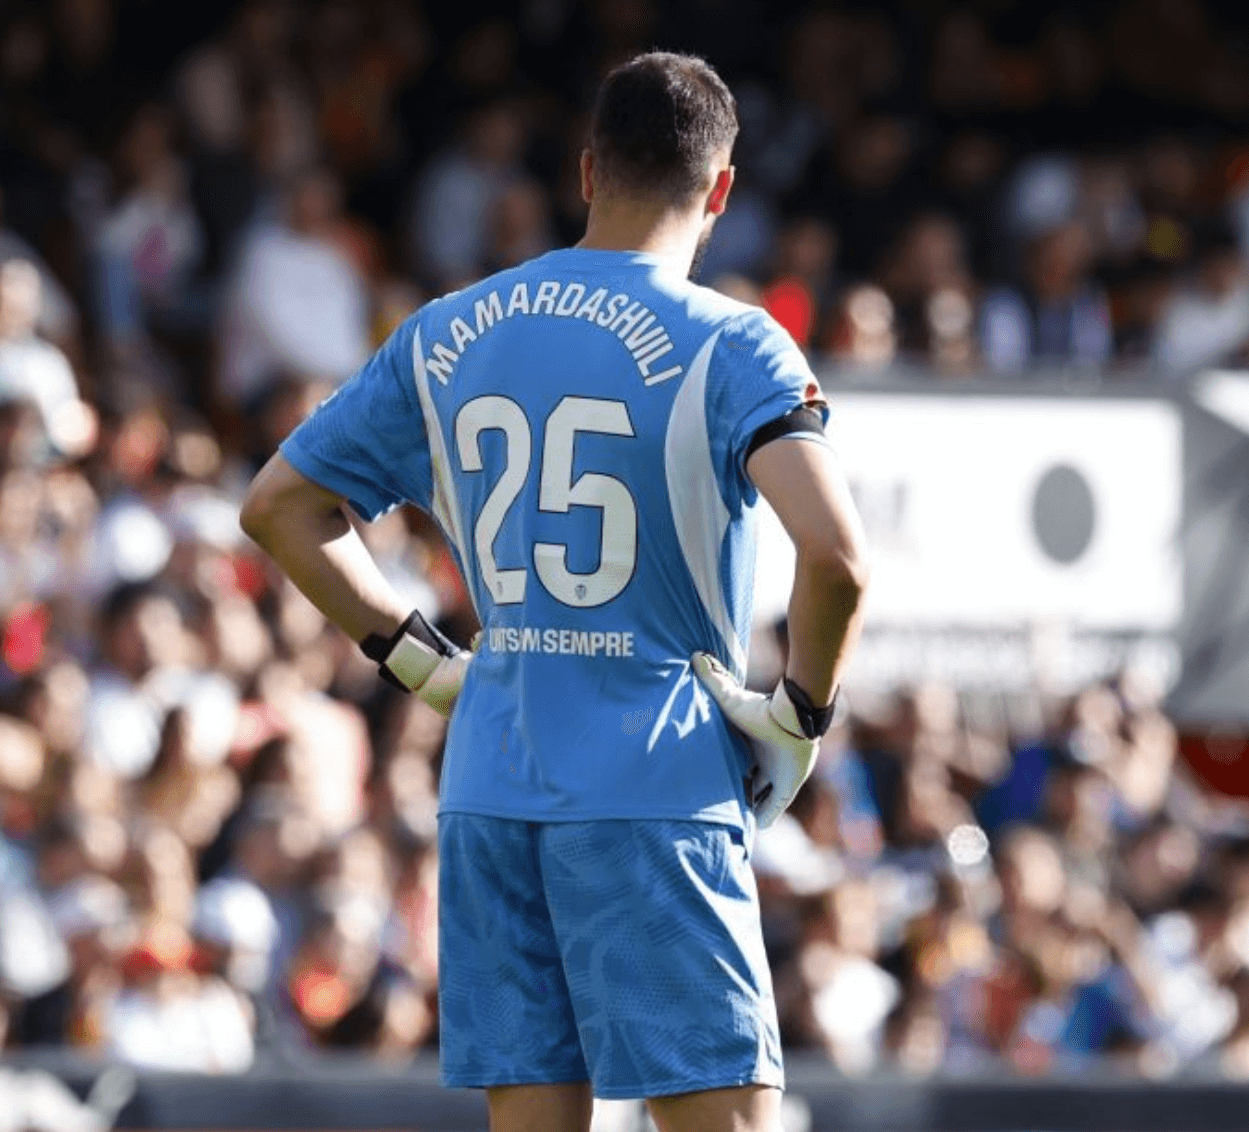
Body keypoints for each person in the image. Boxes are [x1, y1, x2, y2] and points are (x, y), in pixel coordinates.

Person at [241, 52, 869, 1132]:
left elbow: (279, 508)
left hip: (490, 778)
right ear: (721, 189)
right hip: (655, 782)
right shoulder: (731, 342)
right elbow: (837, 558)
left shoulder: (447, 330)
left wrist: (417, 659)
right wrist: (802, 711)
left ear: (586, 172)